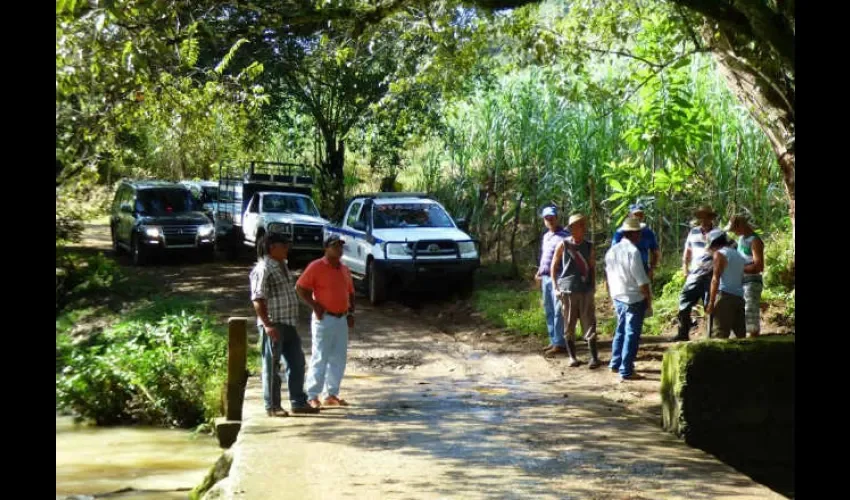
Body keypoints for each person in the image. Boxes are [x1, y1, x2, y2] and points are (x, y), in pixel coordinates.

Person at [250, 233, 319, 417]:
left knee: (297, 362)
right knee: (272, 367)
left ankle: (298, 402)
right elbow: (257, 298)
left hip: (288, 323)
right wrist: (267, 325)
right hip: (274, 324)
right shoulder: (263, 268)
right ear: (272, 247)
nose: (287, 248)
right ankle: (273, 406)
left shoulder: (283, 265)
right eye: (284, 245)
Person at [296, 233, 356, 409]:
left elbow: (350, 292)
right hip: (324, 318)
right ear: (326, 248)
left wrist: (351, 312)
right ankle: (312, 395)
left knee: (339, 357)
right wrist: (314, 305)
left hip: (341, 318)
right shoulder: (316, 266)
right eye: (335, 246)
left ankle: (331, 394)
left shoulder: (344, 269)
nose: (339, 249)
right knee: (320, 356)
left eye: (340, 246)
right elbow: (300, 287)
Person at [605, 217, 653, 382]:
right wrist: (648, 298)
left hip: (618, 296)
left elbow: (608, 276)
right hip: (633, 298)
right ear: (634, 234)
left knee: (621, 330)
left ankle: (615, 362)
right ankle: (626, 369)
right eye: (638, 232)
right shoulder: (633, 252)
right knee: (632, 333)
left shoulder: (612, 251)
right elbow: (641, 279)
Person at [551, 213, 600, 368]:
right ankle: (572, 357)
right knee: (569, 323)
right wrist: (555, 286)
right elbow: (554, 265)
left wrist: (593, 287)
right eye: (574, 226)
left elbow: (592, 267)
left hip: (585, 290)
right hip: (567, 290)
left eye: (580, 226)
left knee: (589, 323)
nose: (578, 229)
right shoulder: (563, 244)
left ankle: (594, 358)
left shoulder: (589, 246)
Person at [673, 205, 718, 341]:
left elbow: (730, 249)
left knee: (710, 304)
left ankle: (711, 335)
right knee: (684, 301)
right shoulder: (693, 232)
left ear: (710, 218)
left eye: (706, 217)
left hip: (711, 274)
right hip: (694, 273)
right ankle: (682, 333)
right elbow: (687, 251)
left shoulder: (718, 233)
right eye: (701, 217)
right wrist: (684, 267)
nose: (703, 220)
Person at [535, 206, 570, 356]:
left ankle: (560, 343)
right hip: (546, 278)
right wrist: (539, 271)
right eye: (547, 218)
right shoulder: (546, 236)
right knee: (549, 309)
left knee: (558, 310)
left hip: (559, 277)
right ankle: (553, 339)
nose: (549, 220)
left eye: (552, 218)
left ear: (557, 218)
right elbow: (546, 257)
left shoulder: (565, 236)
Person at [725, 214, 765, 337]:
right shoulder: (741, 239)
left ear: (741, 226)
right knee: (740, 309)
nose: (734, 232)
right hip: (741, 281)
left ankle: (753, 338)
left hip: (752, 281)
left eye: (734, 229)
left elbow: (759, 266)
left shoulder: (755, 241)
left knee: (750, 310)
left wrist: (740, 268)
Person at [704, 229, 748, 339]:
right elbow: (741, 278)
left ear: (713, 244)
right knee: (741, 337)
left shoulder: (719, 254)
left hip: (724, 298)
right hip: (739, 298)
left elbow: (715, 279)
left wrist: (711, 302)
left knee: (719, 336)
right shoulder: (739, 255)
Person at [612, 203, 660, 278]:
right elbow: (614, 254)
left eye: (640, 214)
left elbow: (655, 252)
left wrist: (651, 269)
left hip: (643, 269)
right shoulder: (620, 233)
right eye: (635, 214)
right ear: (629, 215)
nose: (638, 217)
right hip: (625, 271)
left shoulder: (648, 232)